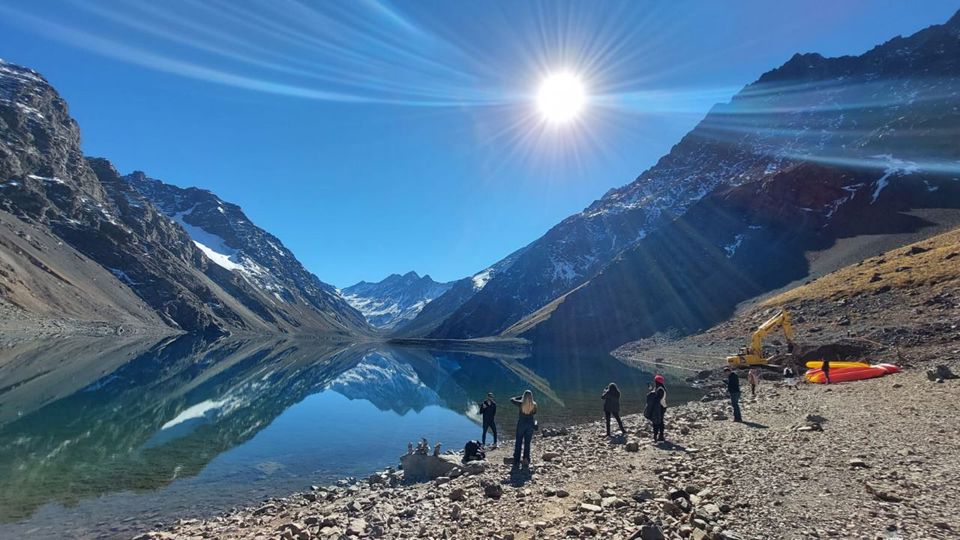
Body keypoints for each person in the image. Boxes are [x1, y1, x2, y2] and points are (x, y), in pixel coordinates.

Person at [510, 390, 537, 469]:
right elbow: (535, 413)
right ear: (531, 397)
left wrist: (521, 397)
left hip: (521, 425)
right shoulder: (534, 405)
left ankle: (516, 461)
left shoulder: (520, 403)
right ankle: (526, 460)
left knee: (518, 442)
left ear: (524, 396)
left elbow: (511, 399)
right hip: (530, 425)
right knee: (527, 443)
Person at [645, 374, 668, 442]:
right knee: (660, 421)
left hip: (659, 407)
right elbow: (655, 393)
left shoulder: (660, 389)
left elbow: (657, 399)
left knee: (657, 421)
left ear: (656, 381)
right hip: (662, 407)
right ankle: (660, 436)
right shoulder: (660, 388)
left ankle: (657, 436)